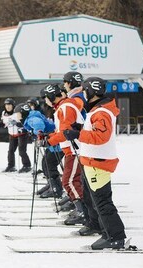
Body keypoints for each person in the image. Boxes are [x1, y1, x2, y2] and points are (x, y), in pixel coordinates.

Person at [63, 77, 126, 250]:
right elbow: (93, 131)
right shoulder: (97, 110)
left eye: (85, 91)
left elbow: (100, 137)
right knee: (94, 200)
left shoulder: (102, 112)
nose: (83, 94)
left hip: (98, 163)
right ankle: (102, 228)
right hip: (90, 161)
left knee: (103, 202)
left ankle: (115, 236)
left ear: (91, 91)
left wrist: (77, 135)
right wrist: (79, 129)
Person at [40, 84, 85, 225]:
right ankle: (82, 209)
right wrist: (49, 136)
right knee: (72, 180)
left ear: (52, 96)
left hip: (75, 149)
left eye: (46, 98)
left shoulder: (65, 107)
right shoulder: (63, 106)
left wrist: (50, 141)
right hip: (71, 149)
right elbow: (62, 130)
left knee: (69, 181)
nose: (45, 101)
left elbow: (66, 133)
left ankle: (82, 211)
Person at [22, 106, 64, 198]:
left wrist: (39, 134)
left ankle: (56, 189)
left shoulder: (31, 118)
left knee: (49, 164)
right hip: (52, 143)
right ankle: (51, 185)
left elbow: (39, 125)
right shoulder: (32, 116)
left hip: (56, 143)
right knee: (45, 163)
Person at [0, 98, 26, 172]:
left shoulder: (17, 112)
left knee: (21, 151)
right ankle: (11, 166)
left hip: (21, 134)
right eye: (6, 105)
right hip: (12, 134)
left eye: (9, 105)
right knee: (10, 151)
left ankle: (26, 165)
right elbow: (4, 123)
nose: (8, 107)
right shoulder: (4, 113)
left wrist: (17, 123)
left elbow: (24, 122)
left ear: (13, 105)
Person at [10, 103, 33, 173]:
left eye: (18, 113)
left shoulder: (29, 118)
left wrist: (24, 130)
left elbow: (28, 126)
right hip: (21, 134)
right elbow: (23, 124)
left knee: (22, 151)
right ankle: (26, 165)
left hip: (24, 135)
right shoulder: (24, 118)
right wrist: (16, 124)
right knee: (21, 151)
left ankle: (27, 165)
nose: (17, 115)